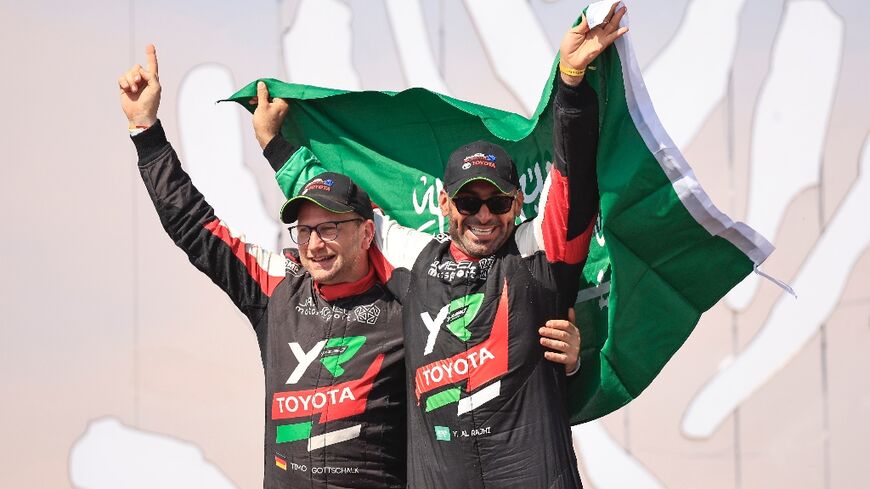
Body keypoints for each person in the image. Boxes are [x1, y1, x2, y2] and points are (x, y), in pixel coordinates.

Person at [118, 45, 583, 488]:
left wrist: (571, 351)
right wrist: (148, 134)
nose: (315, 244)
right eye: (304, 231)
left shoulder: (405, 299)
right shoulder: (278, 288)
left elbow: (567, 211)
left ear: (367, 234)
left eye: (330, 229)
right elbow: (196, 229)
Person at [255, 5, 628, 488]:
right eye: (469, 201)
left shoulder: (536, 259)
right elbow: (342, 211)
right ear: (446, 204)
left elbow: (573, 182)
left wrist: (572, 84)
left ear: (517, 204)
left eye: (496, 201)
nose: (483, 215)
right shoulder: (417, 262)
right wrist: (275, 147)